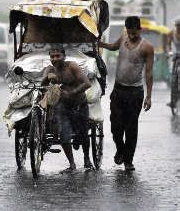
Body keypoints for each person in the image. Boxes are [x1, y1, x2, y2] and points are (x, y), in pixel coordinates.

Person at [99, 16, 154, 171]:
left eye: (134, 33)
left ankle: (128, 161)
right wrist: (100, 43)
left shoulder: (147, 47)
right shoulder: (123, 37)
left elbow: (149, 73)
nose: (131, 36)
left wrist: (149, 97)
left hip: (135, 93)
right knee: (115, 127)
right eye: (129, 32)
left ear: (140, 29)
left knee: (131, 127)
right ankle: (120, 149)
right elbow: (112, 47)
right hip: (118, 90)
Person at [42, 44, 92, 172]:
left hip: (80, 104)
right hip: (62, 106)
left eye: (57, 56)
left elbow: (87, 83)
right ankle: (72, 164)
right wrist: (47, 78)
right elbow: (42, 85)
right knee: (64, 136)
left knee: (83, 134)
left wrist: (72, 93)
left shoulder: (72, 66)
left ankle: (87, 159)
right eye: (52, 56)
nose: (55, 59)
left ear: (64, 56)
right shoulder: (50, 69)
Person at [166, 16, 180, 108]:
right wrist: (169, 51)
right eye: (177, 25)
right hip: (176, 55)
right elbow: (168, 45)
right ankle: (173, 100)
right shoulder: (171, 33)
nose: (179, 27)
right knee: (174, 76)